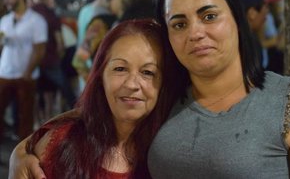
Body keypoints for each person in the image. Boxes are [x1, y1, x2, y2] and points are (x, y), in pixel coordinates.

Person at [9, 0, 290, 179]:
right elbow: (92, 113)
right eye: (179, 23)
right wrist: (20, 152)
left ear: (236, 19)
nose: (195, 32)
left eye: (209, 16)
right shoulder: (165, 97)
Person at [11, 19, 173, 178]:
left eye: (147, 72)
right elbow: (79, 60)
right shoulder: (61, 144)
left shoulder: (174, 155)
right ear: (100, 77)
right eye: (120, 68)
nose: (132, 84)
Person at [0, 0, 48, 140]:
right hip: (5, 71)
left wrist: (28, 72)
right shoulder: (5, 19)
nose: (6, 0)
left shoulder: (36, 20)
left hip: (26, 74)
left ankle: (23, 150)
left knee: (25, 114)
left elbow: (40, 49)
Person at [72, 0, 129, 83]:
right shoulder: (99, 24)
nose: (125, 3)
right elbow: (78, 60)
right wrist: (95, 85)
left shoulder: (117, 19)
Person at [32, 0, 77, 117]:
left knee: (39, 92)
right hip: (50, 58)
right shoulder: (51, 15)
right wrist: (60, 53)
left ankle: (38, 121)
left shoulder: (31, 12)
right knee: (64, 87)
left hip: (33, 59)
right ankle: (77, 110)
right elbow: (59, 42)